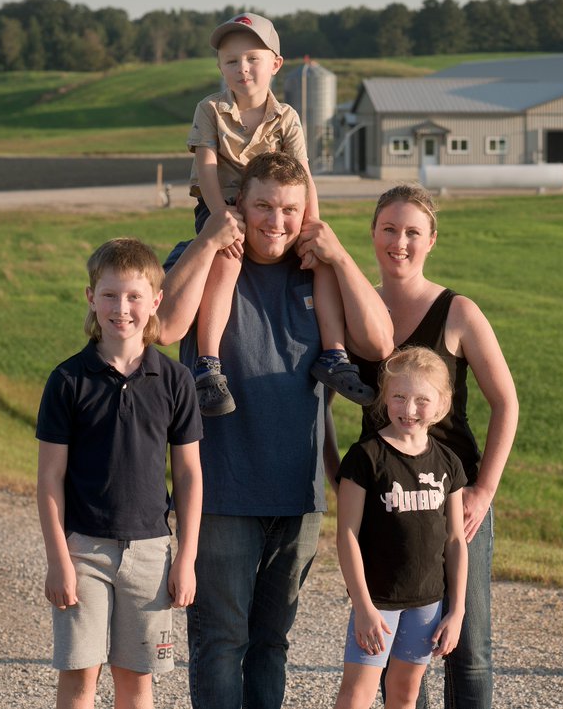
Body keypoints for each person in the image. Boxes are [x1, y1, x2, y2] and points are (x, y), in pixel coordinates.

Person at [157, 151, 393, 709]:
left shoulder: (317, 273)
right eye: (263, 205)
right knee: (220, 641)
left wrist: (339, 256)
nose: (276, 221)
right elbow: (163, 326)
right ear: (240, 202)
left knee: (271, 643)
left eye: (290, 209)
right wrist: (210, 241)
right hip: (221, 491)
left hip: (298, 495)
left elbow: (380, 345)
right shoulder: (205, 258)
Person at [349, 184, 519, 709]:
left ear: (432, 240)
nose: (399, 242)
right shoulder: (359, 308)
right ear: (373, 234)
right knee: (400, 646)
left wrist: (484, 490)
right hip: (386, 503)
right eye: (389, 230)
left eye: (412, 233)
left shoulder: (457, 311)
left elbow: (506, 402)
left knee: (467, 646)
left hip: (454, 499)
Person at [35, 237, 204, 709]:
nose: (121, 309)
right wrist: (58, 559)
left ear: (155, 301)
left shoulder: (175, 381)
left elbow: (188, 474)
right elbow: (49, 479)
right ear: (91, 297)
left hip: (151, 552)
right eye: (109, 295)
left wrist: (185, 557)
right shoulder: (68, 380)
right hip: (83, 549)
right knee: (79, 679)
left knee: (136, 682)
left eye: (133, 297)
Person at [187, 11, 373, 416]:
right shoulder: (211, 109)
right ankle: (208, 363)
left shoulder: (287, 116)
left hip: (276, 210)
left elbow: (303, 175)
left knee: (322, 259)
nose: (242, 69)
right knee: (227, 257)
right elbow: (208, 165)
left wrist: (312, 228)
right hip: (224, 205)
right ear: (220, 67)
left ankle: (334, 354)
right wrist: (221, 218)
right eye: (231, 61)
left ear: (275, 64)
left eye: (253, 58)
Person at [334, 346, 468, 709]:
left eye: (421, 400)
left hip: (427, 602)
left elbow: (456, 540)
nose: (409, 409)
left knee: (406, 694)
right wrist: (362, 606)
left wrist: (456, 611)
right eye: (399, 397)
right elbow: (346, 534)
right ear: (384, 398)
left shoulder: (448, 463)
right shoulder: (365, 457)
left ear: (441, 405)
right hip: (377, 602)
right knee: (357, 694)